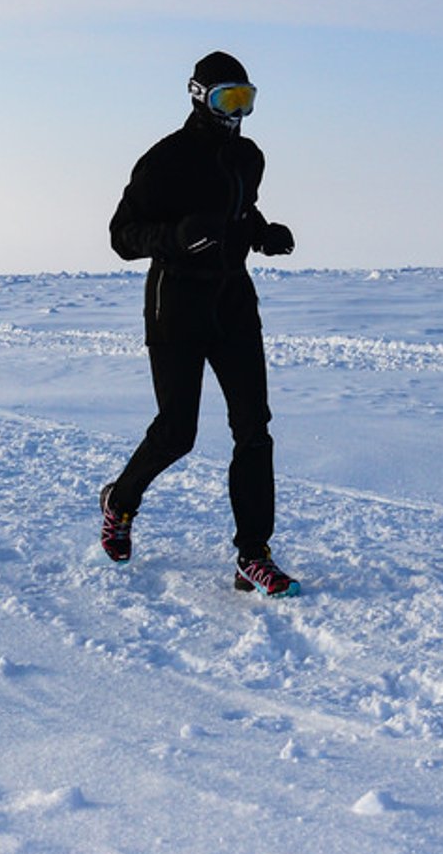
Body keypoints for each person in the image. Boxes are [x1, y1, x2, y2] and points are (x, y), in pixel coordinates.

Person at [100, 51, 300, 597]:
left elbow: (239, 211)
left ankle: (252, 554)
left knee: (254, 428)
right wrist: (176, 239)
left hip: (232, 300)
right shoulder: (166, 160)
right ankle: (120, 501)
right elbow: (122, 235)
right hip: (175, 305)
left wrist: (262, 233)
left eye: (246, 99)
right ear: (198, 96)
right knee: (177, 431)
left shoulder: (249, 157)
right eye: (227, 99)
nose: (237, 112)